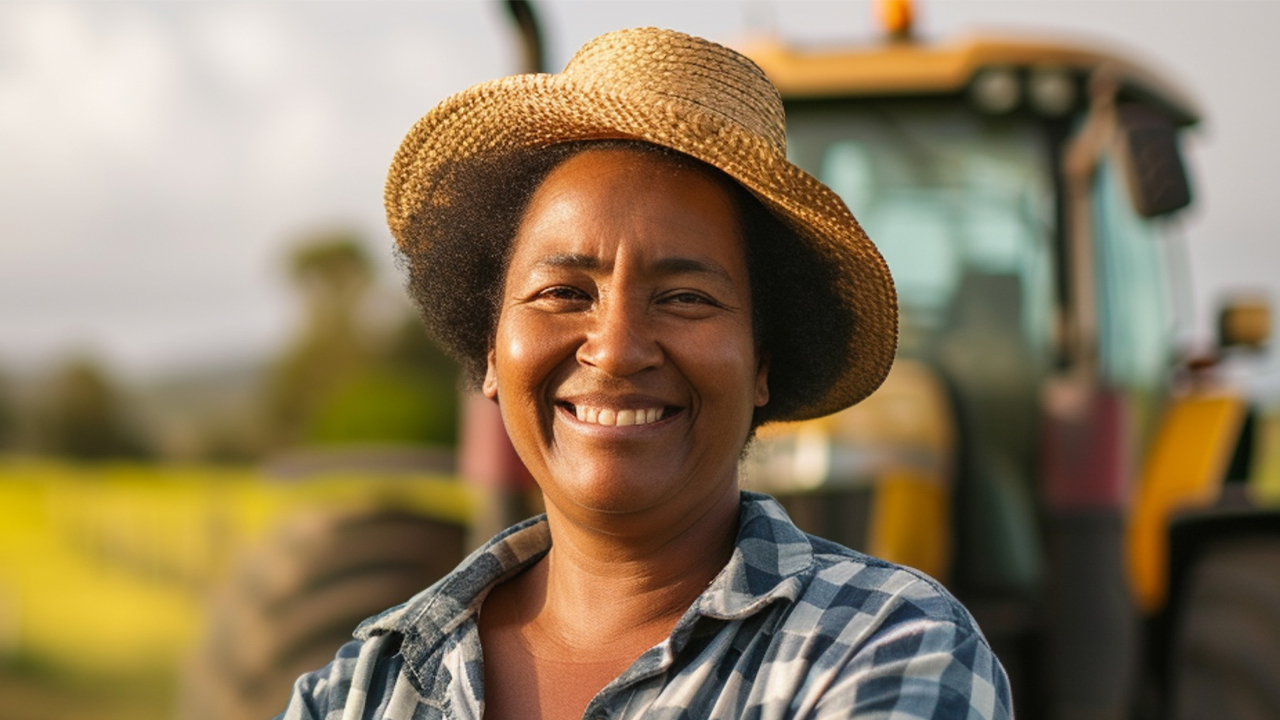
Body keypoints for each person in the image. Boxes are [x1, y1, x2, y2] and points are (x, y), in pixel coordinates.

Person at [277, 27, 1012, 720]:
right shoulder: (363, 686)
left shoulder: (885, 647)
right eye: (563, 294)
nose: (618, 348)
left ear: (764, 362)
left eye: (686, 298)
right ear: (491, 349)